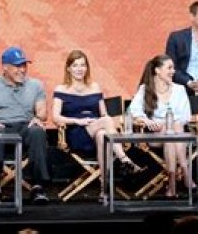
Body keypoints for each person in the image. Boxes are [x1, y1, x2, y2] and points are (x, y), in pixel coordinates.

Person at [52, 49, 142, 202]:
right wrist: (77, 121)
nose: (80, 69)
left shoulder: (95, 87)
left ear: (87, 67)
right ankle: (125, 160)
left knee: (102, 134)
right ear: (68, 68)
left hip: (97, 130)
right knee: (105, 123)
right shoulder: (61, 89)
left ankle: (104, 189)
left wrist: (105, 123)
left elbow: (104, 114)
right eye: (75, 65)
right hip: (77, 133)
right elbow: (55, 117)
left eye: (83, 65)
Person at [0, 46, 51, 204]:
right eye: (17, 66)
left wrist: (38, 117)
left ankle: (38, 187)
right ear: (5, 67)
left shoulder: (35, 85)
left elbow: (42, 111)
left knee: (38, 132)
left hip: (25, 126)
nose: (22, 70)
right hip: (1, 126)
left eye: (24, 65)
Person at [129, 54, 193, 198]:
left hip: (176, 134)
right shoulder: (145, 89)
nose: (173, 71)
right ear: (157, 70)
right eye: (169, 68)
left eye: (173, 68)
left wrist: (167, 124)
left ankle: (172, 184)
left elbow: (185, 116)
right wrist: (147, 121)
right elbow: (133, 111)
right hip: (155, 136)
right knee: (171, 129)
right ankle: (186, 172)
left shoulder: (179, 89)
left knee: (173, 131)